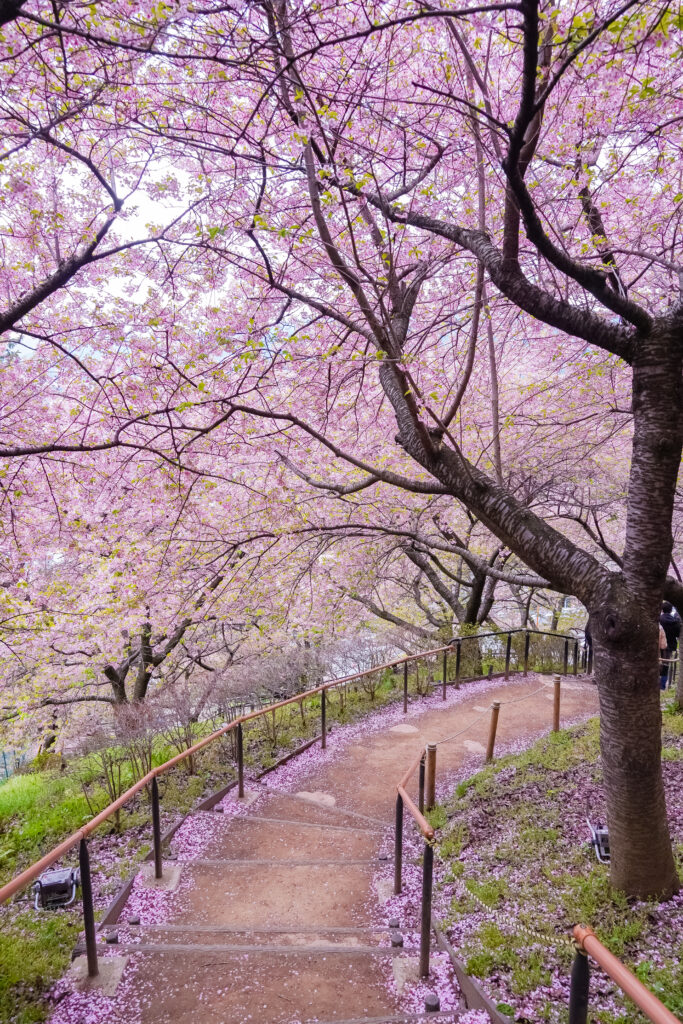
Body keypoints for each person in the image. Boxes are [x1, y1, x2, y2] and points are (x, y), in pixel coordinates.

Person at [659, 601, 680, 688]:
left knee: (657, 663)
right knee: (666, 665)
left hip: (658, 645)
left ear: (662, 610)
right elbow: (677, 635)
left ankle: (656, 684)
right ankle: (663, 686)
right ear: (671, 610)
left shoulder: (658, 619)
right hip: (670, 646)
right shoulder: (675, 622)